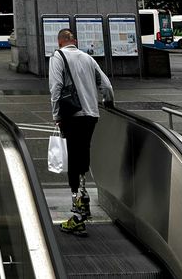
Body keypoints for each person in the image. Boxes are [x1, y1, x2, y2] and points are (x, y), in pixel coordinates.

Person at [49, 28, 114, 236]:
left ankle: (78, 209)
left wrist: (56, 114)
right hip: (91, 115)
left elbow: (56, 87)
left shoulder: (57, 57)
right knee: (82, 155)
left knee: (73, 160)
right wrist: (108, 102)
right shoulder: (88, 58)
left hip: (72, 115)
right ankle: (82, 198)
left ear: (60, 43)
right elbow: (107, 85)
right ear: (74, 41)